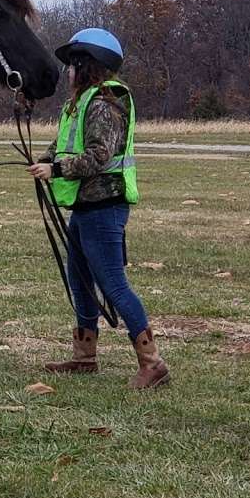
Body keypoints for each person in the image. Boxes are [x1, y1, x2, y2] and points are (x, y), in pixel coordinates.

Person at [27, 28, 170, 389]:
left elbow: (98, 156)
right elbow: (64, 145)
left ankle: (152, 363)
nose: (67, 73)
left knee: (113, 286)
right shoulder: (82, 104)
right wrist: (45, 159)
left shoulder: (105, 105)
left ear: (87, 65)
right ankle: (84, 357)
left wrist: (56, 169)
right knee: (80, 281)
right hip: (85, 206)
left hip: (105, 207)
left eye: (72, 65)